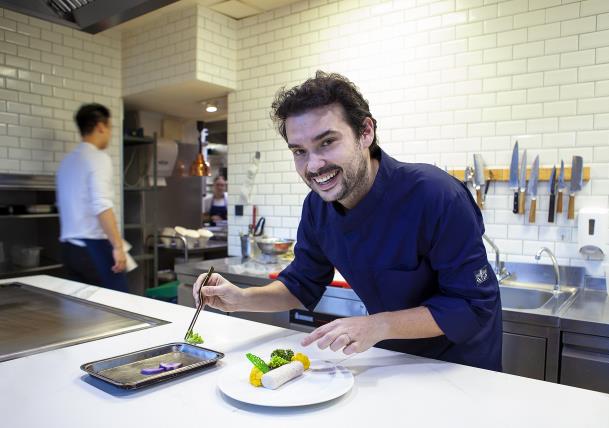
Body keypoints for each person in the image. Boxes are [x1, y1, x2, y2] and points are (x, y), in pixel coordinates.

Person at [193, 71, 502, 371]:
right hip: (390, 362)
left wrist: (377, 324)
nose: (313, 165)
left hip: (461, 367)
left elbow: (471, 305)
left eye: (327, 142)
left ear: (365, 132)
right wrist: (240, 299)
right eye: (300, 151)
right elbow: (301, 284)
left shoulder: (436, 195)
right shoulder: (317, 208)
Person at [56, 103, 127, 292]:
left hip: (70, 249)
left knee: (82, 312)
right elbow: (102, 206)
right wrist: (118, 247)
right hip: (92, 248)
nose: (110, 133)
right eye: (110, 127)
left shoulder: (66, 162)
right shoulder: (98, 158)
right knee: (117, 308)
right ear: (100, 126)